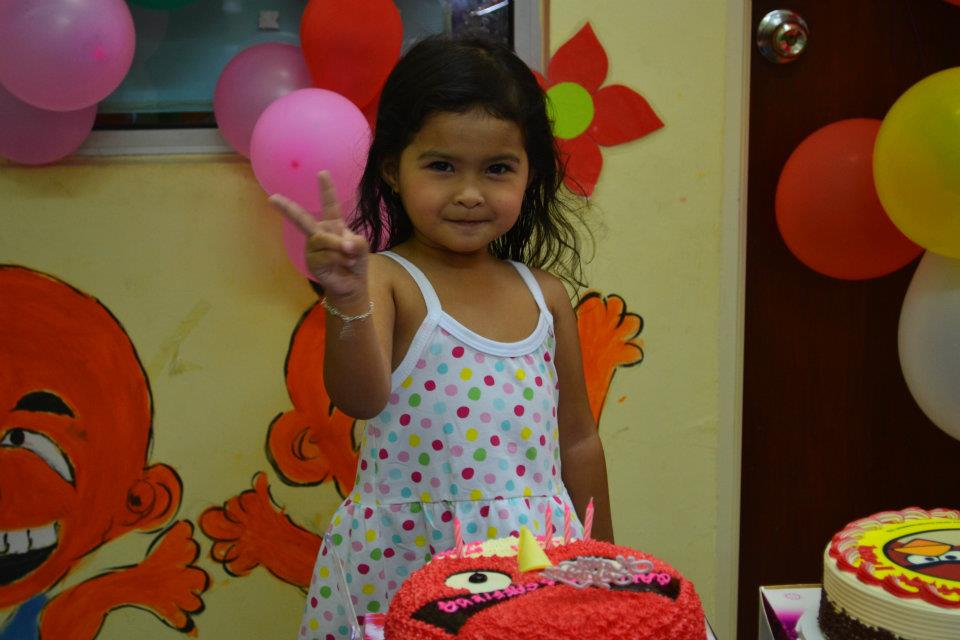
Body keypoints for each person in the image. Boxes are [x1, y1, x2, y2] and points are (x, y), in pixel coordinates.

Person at [271, 35, 613, 640]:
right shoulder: (388, 280)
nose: (469, 193)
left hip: (534, 558)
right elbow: (360, 398)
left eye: (497, 168)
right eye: (441, 166)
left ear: (530, 173)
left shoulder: (546, 295)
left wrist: (605, 563)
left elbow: (580, 440)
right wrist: (346, 300)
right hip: (406, 561)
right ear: (392, 169)